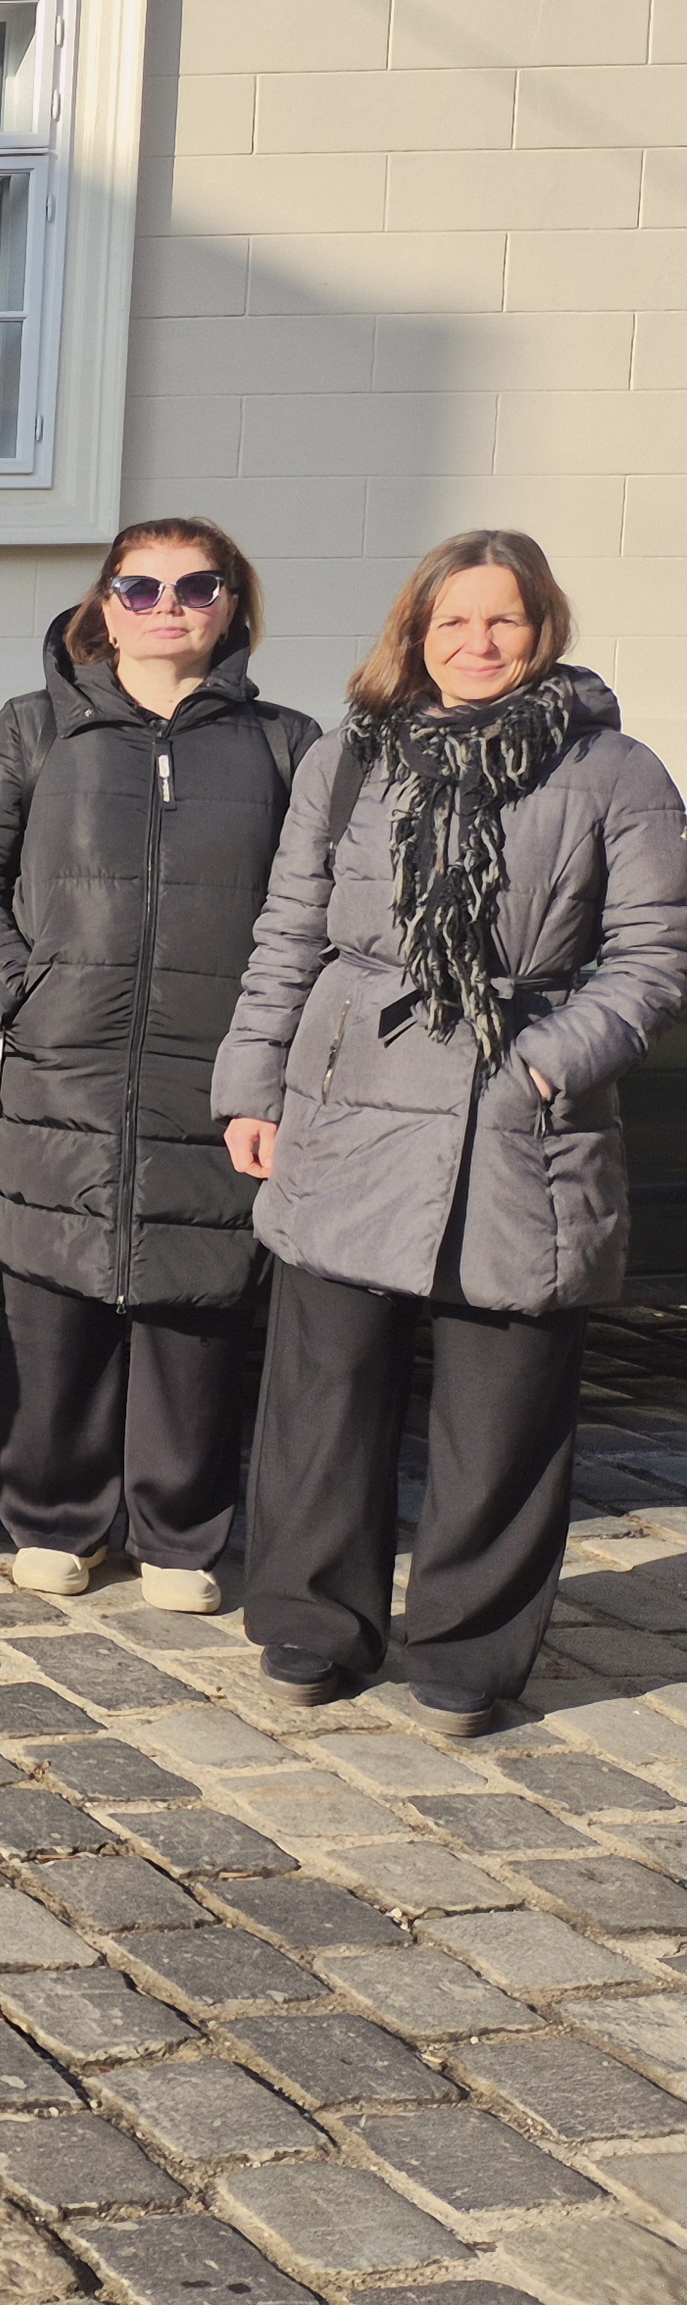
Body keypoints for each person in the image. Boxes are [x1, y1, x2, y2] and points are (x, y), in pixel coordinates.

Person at [217, 531, 687, 1733]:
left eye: (503, 621)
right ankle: (310, 1622)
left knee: (503, 1407)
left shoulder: (615, 771)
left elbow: (652, 956)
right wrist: (250, 1086)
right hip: (349, 1101)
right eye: (453, 623)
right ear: (414, 635)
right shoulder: (349, 758)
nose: (478, 644)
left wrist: (545, 1061)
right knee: (323, 1390)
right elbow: (288, 933)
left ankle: (468, 1651)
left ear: (542, 628)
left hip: (519, 1119)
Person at [0, 524, 315, 1612]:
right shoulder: (34, 727)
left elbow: (313, 909)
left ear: (232, 603)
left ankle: (179, 1535)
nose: (168, 605)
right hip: (64, 1062)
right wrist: (21, 991)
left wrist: (272, 1043)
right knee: (55, 1292)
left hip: (215, 1069)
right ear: (106, 604)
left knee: (196, 1303)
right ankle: (53, 1517)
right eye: (141, 587)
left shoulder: (285, 743)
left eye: (196, 586)